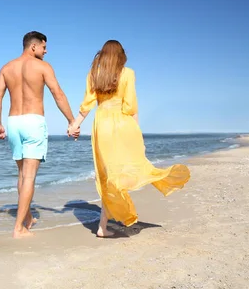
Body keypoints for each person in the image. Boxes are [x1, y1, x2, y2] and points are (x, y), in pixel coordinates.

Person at [69, 40, 190, 237]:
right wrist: (138, 134)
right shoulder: (127, 73)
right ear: (120, 55)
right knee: (123, 172)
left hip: (102, 126)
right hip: (123, 124)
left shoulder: (94, 74)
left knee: (108, 175)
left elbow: (87, 104)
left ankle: (103, 225)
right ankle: (108, 221)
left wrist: (75, 124)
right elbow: (131, 106)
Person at [0, 31, 80, 238]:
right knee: (30, 176)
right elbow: (57, 93)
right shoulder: (42, 67)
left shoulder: (6, 68)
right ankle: (18, 228)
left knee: (22, 175)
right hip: (33, 121)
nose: (46, 51)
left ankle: (28, 217)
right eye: (44, 47)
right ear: (33, 47)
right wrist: (71, 121)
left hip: (13, 122)